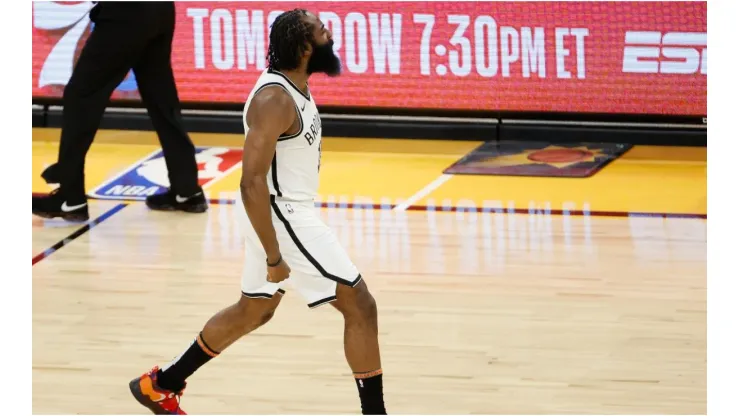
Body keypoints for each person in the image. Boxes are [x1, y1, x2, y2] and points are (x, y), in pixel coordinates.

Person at [128, 9, 387, 416]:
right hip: (281, 213)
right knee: (360, 304)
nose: (330, 34)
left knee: (255, 309)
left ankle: (161, 384)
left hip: (280, 211)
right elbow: (252, 182)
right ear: (305, 47)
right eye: (322, 31)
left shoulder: (293, 86)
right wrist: (273, 256)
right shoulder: (274, 99)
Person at [32, 1, 206, 222]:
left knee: (81, 95)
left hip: (126, 11)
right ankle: (187, 189)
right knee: (161, 97)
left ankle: (70, 196)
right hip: (160, 8)